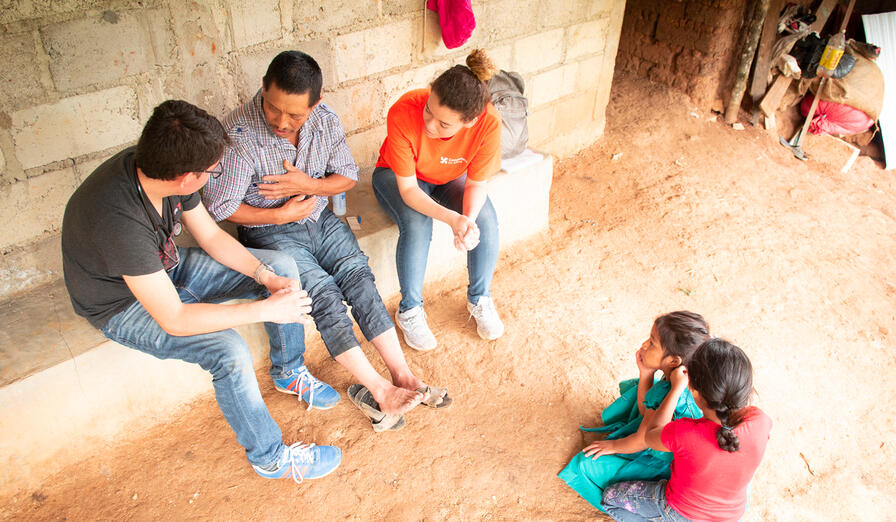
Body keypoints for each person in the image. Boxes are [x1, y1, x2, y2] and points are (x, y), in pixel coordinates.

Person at [61, 100, 341, 482]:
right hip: (121, 305)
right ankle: (271, 458)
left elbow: (209, 235)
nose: (215, 176)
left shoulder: (160, 166)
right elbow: (174, 318)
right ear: (186, 178)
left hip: (164, 267)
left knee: (281, 267)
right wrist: (266, 309)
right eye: (212, 171)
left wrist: (264, 276)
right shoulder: (119, 220)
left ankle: (289, 371)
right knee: (228, 351)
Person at [202, 51, 449, 429]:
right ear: (263, 90)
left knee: (360, 281)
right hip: (271, 232)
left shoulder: (325, 119)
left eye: (295, 115)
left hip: (322, 218)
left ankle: (402, 375)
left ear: (314, 105)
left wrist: (308, 186)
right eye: (272, 108)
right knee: (323, 296)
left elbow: (346, 177)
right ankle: (378, 389)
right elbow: (220, 207)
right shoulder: (238, 134)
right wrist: (280, 214)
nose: (282, 122)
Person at [371, 48, 504, 351]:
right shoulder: (404, 110)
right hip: (396, 176)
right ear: (430, 92)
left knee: (484, 218)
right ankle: (410, 310)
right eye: (429, 110)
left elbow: (476, 183)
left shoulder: (488, 124)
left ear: (470, 121)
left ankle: (479, 298)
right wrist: (451, 219)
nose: (430, 124)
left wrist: (466, 221)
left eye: (444, 124)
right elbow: (409, 192)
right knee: (417, 222)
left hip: (446, 178)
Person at [601, 339, 773, 521]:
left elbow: (650, 435)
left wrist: (675, 389)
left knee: (610, 498)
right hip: (730, 514)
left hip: (682, 510)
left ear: (695, 392)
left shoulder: (685, 432)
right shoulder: (761, 421)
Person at [558, 311, 709, 511]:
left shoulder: (668, 393)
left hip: (660, 466)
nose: (645, 344)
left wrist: (613, 445)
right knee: (640, 387)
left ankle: (624, 509)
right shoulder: (693, 378)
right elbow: (648, 412)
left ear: (674, 361)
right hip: (668, 449)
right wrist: (646, 373)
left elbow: (643, 439)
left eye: (653, 342)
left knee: (584, 465)